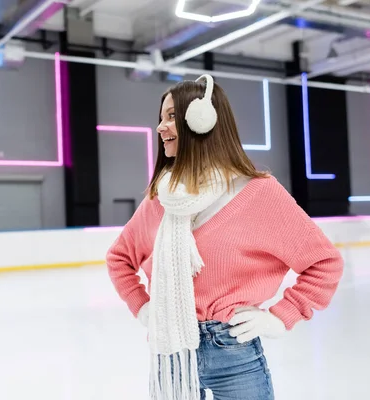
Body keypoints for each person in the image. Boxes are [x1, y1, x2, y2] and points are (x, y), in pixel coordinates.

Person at [105, 75, 344, 400]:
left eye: (172, 116)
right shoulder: (161, 199)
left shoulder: (259, 193)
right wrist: (144, 307)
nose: (160, 127)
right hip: (170, 353)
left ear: (203, 121)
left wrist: (280, 317)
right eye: (161, 118)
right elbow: (119, 258)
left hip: (233, 351)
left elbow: (324, 264)